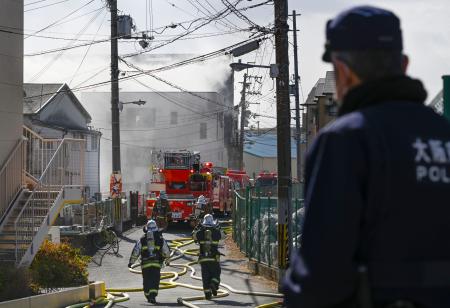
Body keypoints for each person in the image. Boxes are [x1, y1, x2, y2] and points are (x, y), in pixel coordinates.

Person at [283, 6, 450, 308]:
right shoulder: (444, 133)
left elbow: (321, 276)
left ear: (343, 72)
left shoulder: (346, 140)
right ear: (404, 63)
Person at [128, 220, 170, 304]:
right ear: (156, 228)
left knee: (146, 280)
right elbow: (166, 251)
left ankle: (148, 296)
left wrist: (131, 262)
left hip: (145, 263)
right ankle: (153, 296)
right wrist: (167, 260)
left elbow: (136, 250)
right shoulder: (160, 238)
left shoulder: (142, 239)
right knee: (155, 280)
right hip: (156, 263)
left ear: (146, 229)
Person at [193, 214, 222, 300]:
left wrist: (198, 227)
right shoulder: (217, 232)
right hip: (214, 259)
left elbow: (193, 237)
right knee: (216, 273)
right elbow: (224, 236)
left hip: (203, 259)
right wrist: (218, 227)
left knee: (205, 277)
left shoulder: (200, 232)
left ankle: (207, 294)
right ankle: (213, 284)